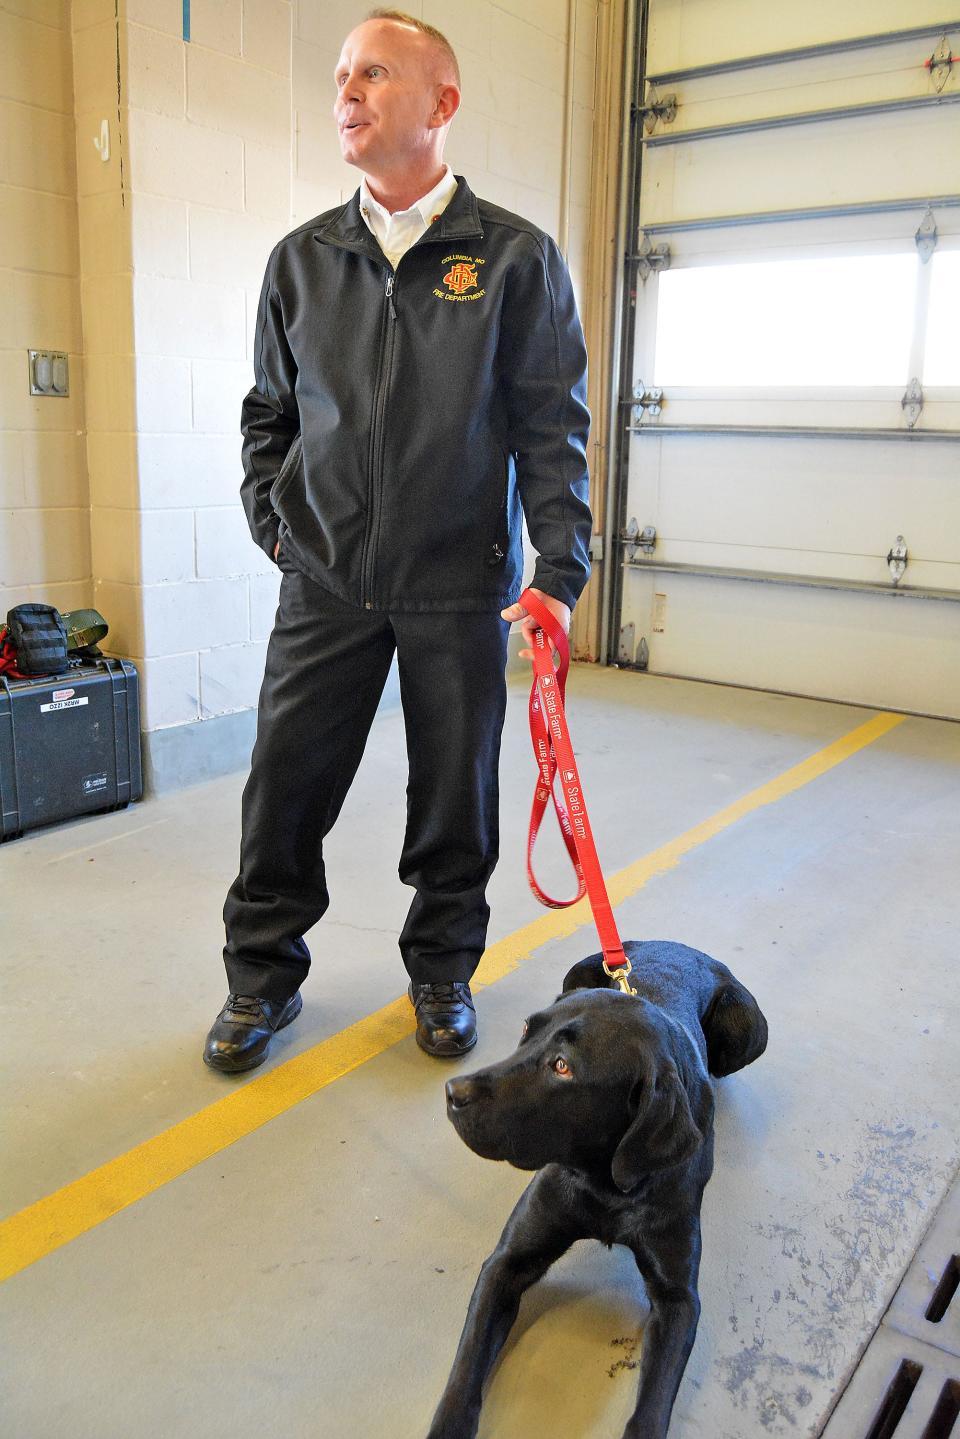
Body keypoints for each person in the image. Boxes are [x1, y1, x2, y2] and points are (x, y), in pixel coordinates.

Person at [203, 8, 592, 1073]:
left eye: (373, 72)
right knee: (284, 788)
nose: (346, 91)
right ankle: (260, 980)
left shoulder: (515, 260)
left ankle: (441, 972)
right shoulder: (301, 261)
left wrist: (559, 570)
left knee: (454, 793)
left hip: (457, 586)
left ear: (442, 101)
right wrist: (274, 526)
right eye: (339, 76)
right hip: (324, 577)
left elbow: (552, 427)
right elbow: (267, 415)